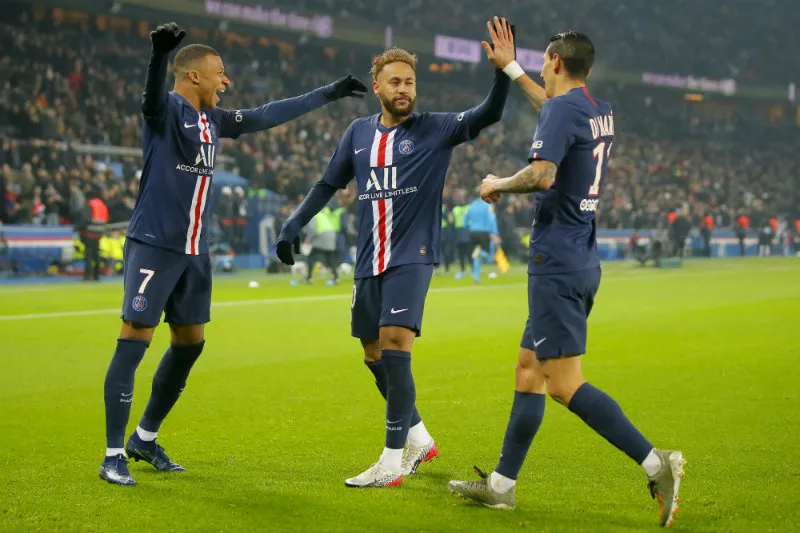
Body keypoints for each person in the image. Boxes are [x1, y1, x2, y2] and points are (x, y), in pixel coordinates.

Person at [99, 22, 368, 486]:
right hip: (155, 245)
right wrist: (159, 56)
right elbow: (149, 100)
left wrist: (330, 92)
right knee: (135, 337)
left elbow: (267, 114)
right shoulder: (168, 111)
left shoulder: (215, 122)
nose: (226, 82)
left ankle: (145, 436)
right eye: (220, 73)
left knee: (191, 343)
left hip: (193, 250)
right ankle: (112, 454)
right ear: (194, 76)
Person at [447, 30, 685, 527]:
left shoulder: (561, 112)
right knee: (528, 370)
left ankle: (657, 464)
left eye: (540, 62)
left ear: (554, 61)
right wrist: (511, 69)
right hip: (580, 256)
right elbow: (552, 108)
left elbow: (543, 175)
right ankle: (501, 487)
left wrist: (496, 184)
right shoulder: (596, 107)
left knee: (562, 384)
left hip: (555, 263)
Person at [276, 17, 514, 488]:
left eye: (410, 82)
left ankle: (390, 461)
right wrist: (294, 221)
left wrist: (502, 72)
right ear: (378, 86)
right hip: (369, 259)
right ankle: (420, 437)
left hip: (412, 254)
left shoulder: (436, 129)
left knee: (395, 343)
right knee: (372, 352)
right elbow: (328, 183)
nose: (404, 89)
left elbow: (487, 114)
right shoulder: (358, 133)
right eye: (396, 82)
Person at [464, 194, 500, 283]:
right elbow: (491, 219)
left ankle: (476, 277)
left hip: (472, 232)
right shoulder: (488, 205)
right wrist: (494, 233)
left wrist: (468, 227)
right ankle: (488, 257)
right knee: (487, 254)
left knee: (477, 256)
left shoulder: (471, 205)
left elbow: (465, 218)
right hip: (483, 232)